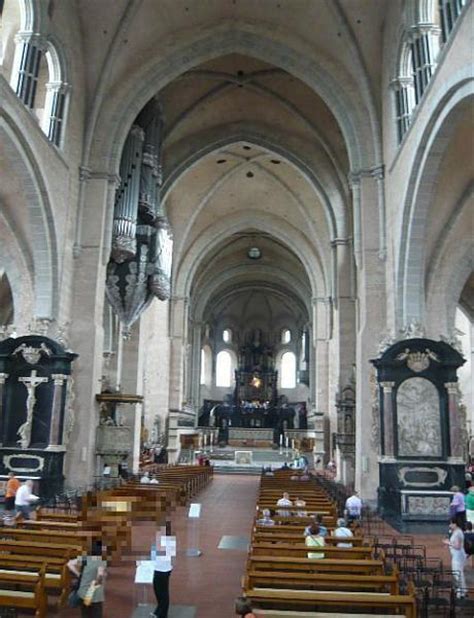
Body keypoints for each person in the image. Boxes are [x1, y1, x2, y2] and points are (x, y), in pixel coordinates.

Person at [67, 540, 107, 617]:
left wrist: (79, 574)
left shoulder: (86, 558)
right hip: (94, 594)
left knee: (85, 613)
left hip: (84, 592)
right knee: (96, 614)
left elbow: (69, 564)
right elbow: (100, 574)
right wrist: (97, 583)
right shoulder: (101, 561)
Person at [151, 526, 176, 618]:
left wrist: (158, 546)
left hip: (163, 570)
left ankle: (159, 613)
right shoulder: (159, 540)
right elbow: (154, 554)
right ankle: (161, 613)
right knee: (158, 591)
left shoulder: (169, 542)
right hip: (157, 569)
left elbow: (165, 555)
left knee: (163, 593)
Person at [443, 517, 467, 598]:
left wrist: (448, 543)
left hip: (458, 556)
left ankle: (461, 592)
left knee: (457, 573)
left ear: (455, 524)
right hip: (457, 555)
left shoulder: (458, 532)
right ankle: (463, 590)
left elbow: (458, 546)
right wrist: (449, 544)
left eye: (451, 523)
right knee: (459, 573)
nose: (450, 525)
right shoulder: (456, 531)